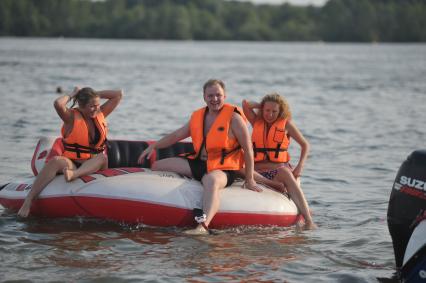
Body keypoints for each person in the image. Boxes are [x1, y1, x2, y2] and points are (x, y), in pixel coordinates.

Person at [138, 79, 261, 235]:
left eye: (218, 95)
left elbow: (248, 149)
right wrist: (154, 146)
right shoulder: (198, 116)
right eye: (210, 96)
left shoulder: (234, 118)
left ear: (225, 96)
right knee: (157, 166)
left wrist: (249, 179)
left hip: (223, 168)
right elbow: (176, 135)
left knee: (212, 181)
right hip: (199, 162)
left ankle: (202, 226)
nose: (215, 99)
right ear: (204, 97)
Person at [17, 87, 123, 217]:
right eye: (92, 106)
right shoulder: (71, 117)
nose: (96, 108)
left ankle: (75, 174)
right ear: (81, 106)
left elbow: (118, 94)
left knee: (102, 157)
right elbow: (58, 104)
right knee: (55, 161)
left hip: (95, 164)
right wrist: (73, 94)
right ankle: (28, 201)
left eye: (97, 105)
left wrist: (95, 95)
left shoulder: (100, 113)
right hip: (73, 163)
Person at [242, 93, 316, 230]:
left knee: (286, 173)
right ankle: (274, 185)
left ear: (280, 111)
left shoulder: (286, 124)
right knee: (238, 166)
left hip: (277, 170)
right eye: (267, 110)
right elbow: (245, 104)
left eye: (274, 111)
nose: (270, 114)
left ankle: (309, 220)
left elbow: (305, 145)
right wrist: (261, 105)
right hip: (257, 171)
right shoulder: (256, 121)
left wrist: (300, 166)